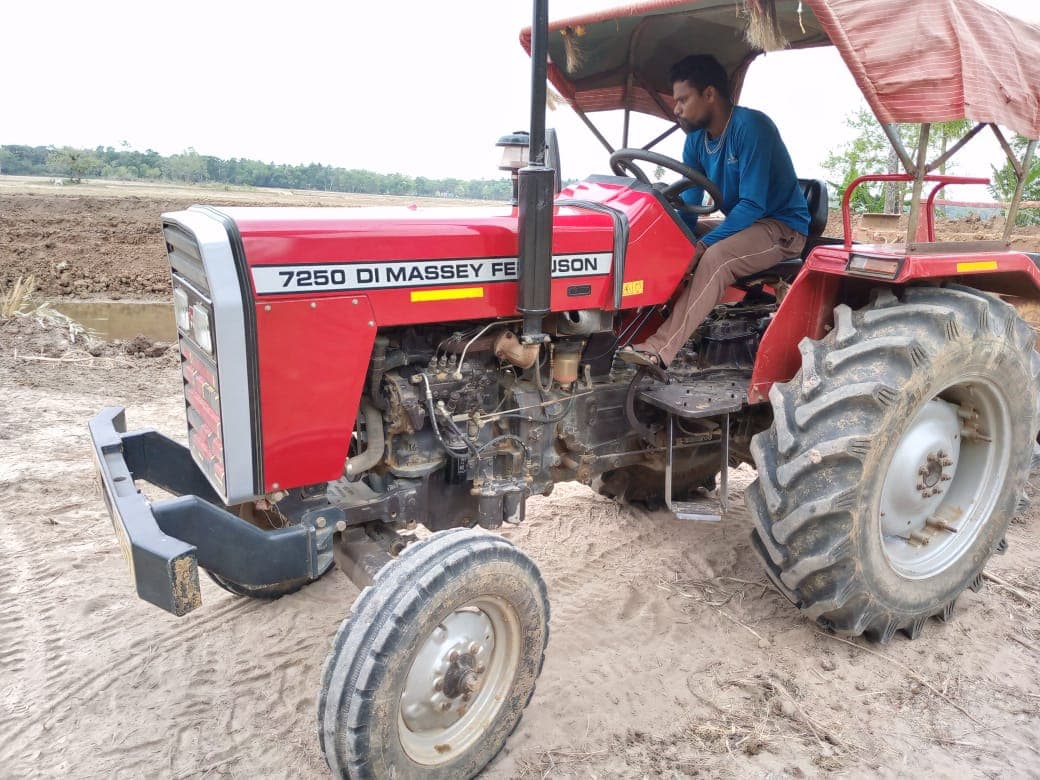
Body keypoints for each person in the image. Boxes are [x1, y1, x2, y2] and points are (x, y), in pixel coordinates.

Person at [618, 54, 810, 369]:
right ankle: (623, 333)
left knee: (716, 257)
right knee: (669, 241)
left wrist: (703, 245)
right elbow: (690, 203)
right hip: (745, 225)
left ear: (709, 94)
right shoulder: (695, 141)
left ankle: (659, 349)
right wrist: (676, 239)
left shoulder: (751, 127)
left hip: (781, 228)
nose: (676, 109)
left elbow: (753, 204)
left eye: (683, 99)